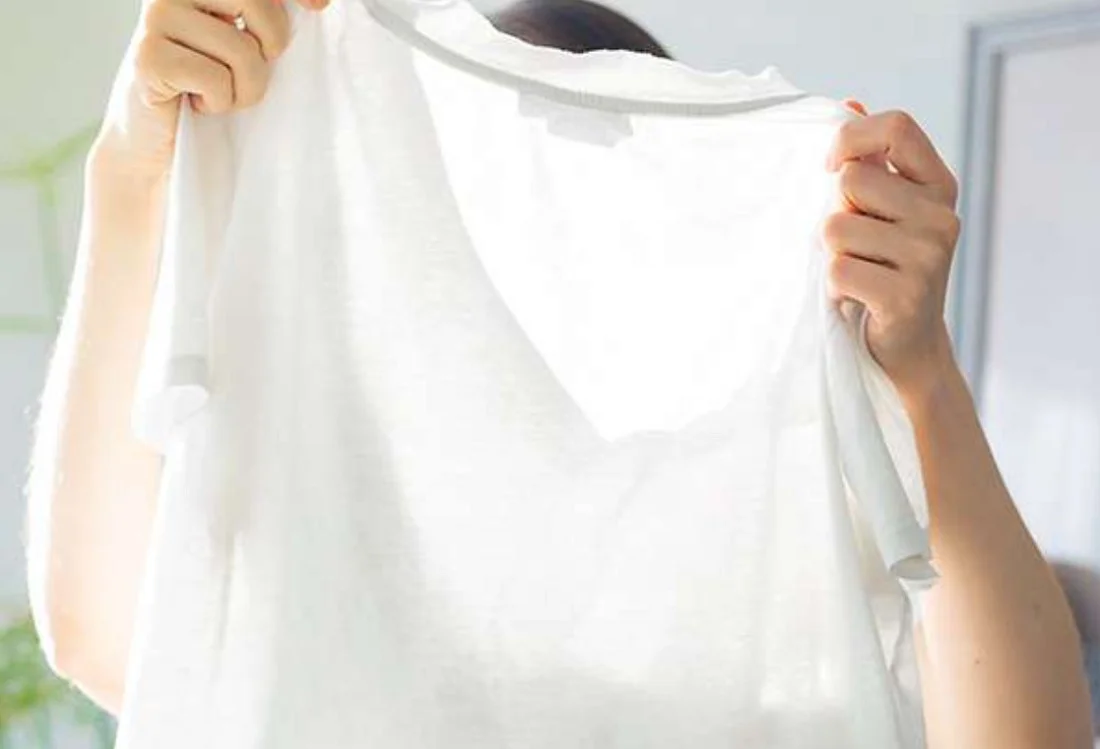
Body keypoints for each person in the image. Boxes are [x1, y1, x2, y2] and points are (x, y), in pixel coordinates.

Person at [22, 0, 1092, 746]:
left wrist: (920, 374)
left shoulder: (769, 516)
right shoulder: (348, 516)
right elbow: (107, 634)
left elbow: (1029, 736)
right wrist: (136, 170)